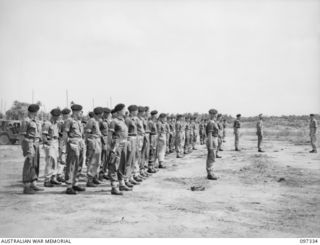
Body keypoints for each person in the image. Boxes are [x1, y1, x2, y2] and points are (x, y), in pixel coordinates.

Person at [20, 104, 43, 194]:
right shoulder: (26, 121)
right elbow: (22, 136)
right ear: (33, 112)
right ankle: (26, 186)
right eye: (36, 111)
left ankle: (34, 183)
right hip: (29, 142)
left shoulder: (36, 121)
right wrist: (25, 147)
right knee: (29, 163)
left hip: (36, 143)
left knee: (35, 163)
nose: (37, 113)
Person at [63, 104, 86, 194]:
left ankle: (75, 183)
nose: (82, 113)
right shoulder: (69, 121)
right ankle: (69, 186)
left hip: (80, 143)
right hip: (73, 143)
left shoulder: (79, 121)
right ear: (76, 112)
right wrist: (67, 145)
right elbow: (65, 134)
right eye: (81, 112)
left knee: (79, 164)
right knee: (71, 164)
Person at [108, 103, 130, 195]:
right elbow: (109, 136)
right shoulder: (114, 121)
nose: (125, 111)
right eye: (124, 110)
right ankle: (114, 186)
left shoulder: (123, 120)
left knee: (122, 164)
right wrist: (110, 147)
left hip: (124, 144)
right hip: (117, 144)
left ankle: (121, 183)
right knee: (114, 165)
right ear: (119, 111)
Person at [42, 108, 62, 187]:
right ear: (53, 116)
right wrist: (48, 143)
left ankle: (53, 178)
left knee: (56, 161)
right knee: (50, 162)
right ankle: (47, 180)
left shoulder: (56, 123)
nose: (58, 117)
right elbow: (43, 136)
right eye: (56, 116)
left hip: (55, 142)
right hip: (50, 143)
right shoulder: (47, 123)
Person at [85, 107, 103, 187]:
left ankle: (95, 176)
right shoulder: (91, 121)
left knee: (97, 161)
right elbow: (87, 134)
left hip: (97, 141)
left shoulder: (97, 121)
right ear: (99, 114)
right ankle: (90, 180)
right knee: (92, 161)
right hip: (93, 141)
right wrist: (89, 143)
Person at [125, 105, 142, 189]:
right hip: (130, 139)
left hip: (135, 138)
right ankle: (126, 179)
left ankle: (130, 177)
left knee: (133, 159)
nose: (137, 112)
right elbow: (126, 131)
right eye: (135, 111)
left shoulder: (135, 119)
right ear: (132, 111)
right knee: (129, 160)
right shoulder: (128, 120)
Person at [57, 108, 71, 183]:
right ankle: (59, 175)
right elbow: (59, 133)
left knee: (66, 159)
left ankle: (64, 174)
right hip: (62, 141)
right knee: (61, 159)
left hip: (67, 142)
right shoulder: (61, 123)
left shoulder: (67, 122)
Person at [99, 107, 112, 181]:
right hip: (102, 140)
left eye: (108, 113)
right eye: (106, 113)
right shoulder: (100, 121)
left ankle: (104, 172)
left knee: (107, 158)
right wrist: (103, 139)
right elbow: (98, 131)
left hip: (108, 139)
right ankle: (100, 174)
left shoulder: (108, 121)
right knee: (102, 158)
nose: (107, 115)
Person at [206, 109, 219, 180]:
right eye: (215, 114)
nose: (216, 115)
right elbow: (210, 134)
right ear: (212, 114)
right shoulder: (211, 123)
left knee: (212, 157)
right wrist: (210, 145)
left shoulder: (213, 122)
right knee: (211, 157)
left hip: (214, 139)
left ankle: (211, 172)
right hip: (212, 140)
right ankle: (210, 173)